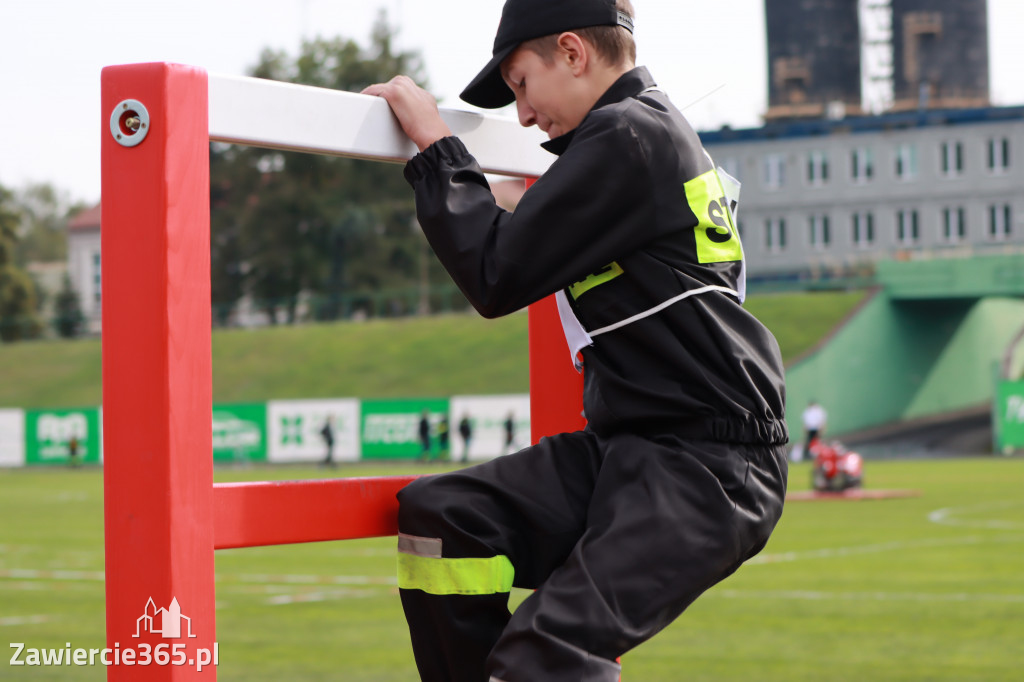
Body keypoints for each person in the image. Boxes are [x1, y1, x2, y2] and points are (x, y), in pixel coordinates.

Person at [363, 1, 789, 679]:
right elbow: (530, 233)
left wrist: (435, 144)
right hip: (634, 445)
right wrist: (491, 195)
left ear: (572, 52)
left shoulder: (630, 134)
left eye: (521, 85)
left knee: (545, 655)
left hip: (706, 465)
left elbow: (494, 277)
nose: (524, 116)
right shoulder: (640, 134)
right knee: (443, 518)